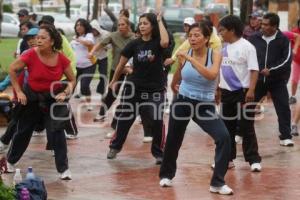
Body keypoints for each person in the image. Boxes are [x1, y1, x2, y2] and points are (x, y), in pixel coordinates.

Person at [159, 22, 233, 195]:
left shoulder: (215, 54)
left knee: (223, 137)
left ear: (206, 38)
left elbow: (212, 74)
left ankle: (217, 183)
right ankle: (166, 175)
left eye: (197, 35)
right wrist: (174, 84)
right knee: (173, 140)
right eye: (190, 35)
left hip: (204, 106)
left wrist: (190, 59)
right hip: (183, 101)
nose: (192, 38)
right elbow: (180, 71)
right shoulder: (185, 55)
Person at [5, 24, 75, 180]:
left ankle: (64, 169)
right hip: (31, 98)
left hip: (52, 99)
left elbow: (72, 80)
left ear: (52, 42)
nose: (38, 40)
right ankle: (9, 161)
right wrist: (19, 91)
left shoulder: (61, 58)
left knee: (57, 132)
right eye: (37, 37)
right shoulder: (30, 54)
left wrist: (65, 92)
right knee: (23, 131)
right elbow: (12, 69)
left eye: (43, 38)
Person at [106, 12, 169, 164]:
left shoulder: (158, 42)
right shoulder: (134, 44)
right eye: (140, 23)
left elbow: (166, 42)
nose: (142, 26)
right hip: (134, 88)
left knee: (157, 121)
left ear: (153, 26)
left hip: (155, 90)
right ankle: (115, 146)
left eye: (145, 23)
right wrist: (114, 81)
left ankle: (158, 153)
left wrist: (159, 21)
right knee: (125, 120)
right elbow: (121, 64)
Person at [218, 15, 262, 172]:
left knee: (246, 127)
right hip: (226, 93)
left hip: (243, 93)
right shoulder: (224, 48)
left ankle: (254, 160)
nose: (220, 33)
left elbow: (254, 70)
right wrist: (218, 88)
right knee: (226, 127)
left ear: (232, 30)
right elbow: (220, 71)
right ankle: (228, 159)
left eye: (222, 30)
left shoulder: (247, 47)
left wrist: (251, 90)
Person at [249, 13, 294, 146]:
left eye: (266, 24)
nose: (262, 26)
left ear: (275, 26)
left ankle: (285, 136)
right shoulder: (254, 38)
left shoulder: (283, 40)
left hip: (277, 82)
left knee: (283, 108)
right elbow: (247, 56)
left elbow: (287, 60)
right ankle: (240, 133)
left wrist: (271, 70)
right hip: (257, 80)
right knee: (248, 106)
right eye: (262, 24)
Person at [89, 17, 135, 131]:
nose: (120, 27)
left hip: (131, 70)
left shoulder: (134, 38)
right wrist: (92, 52)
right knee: (112, 93)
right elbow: (101, 44)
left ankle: (126, 118)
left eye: (123, 25)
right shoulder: (113, 35)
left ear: (128, 26)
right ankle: (102, 113)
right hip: (116, 69)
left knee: (130, 94)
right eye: (119, 25)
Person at [71, 18, 96, 111]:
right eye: (77, 25)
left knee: (84, 86)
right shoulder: (74, 38)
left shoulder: (89, 35)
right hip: (76, 67)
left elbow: (89, 43)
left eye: (81, 25)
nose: (78, 27)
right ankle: (65, 104)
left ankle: (89, 103)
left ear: (85, 26)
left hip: (89, 66)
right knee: (71, 86)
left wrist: (79, 39)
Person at [89, 19, 110, 95]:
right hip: (92, 57)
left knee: (103, 75)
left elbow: (110, 44)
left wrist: (105, 47)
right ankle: (84, 90)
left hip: (103, 57)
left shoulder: (105, 34)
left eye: (94, 30)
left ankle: (101, 91)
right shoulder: (89, 35)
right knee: (87, 75)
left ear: (97, 29)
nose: (93, 32)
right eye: (91, 30)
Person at [288, 19, 300, 104]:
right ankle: (292, 96)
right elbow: (289, 44)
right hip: (297, 60)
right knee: (295, 79)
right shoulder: (294, 32)